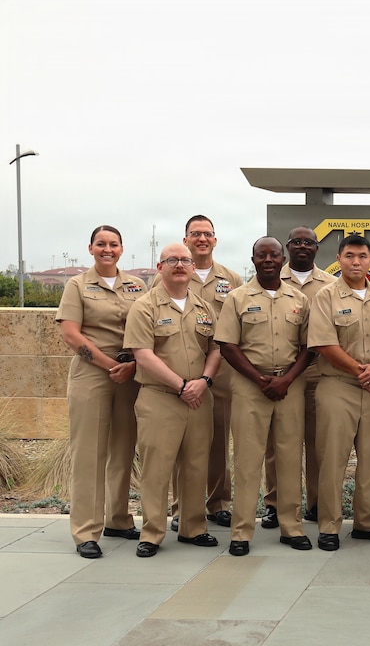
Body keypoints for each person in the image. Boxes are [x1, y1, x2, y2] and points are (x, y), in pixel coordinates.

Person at [215, 237, 313, 556]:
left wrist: (286, 380)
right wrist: (259, 379)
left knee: (288, 457)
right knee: (247, 459)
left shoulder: (299, 299)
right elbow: (228, 345)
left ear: (283, 258)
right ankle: (242, 532)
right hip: (249, 384)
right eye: (262, 255)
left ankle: (292, 527)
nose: (268, 259)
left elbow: (308, 347)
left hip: (289, 384)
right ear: (253, 259)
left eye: (274, 254)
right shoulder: (237, 298)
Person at [124, 243, 222, 557]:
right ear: (160, 266)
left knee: (196, 465)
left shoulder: (204, 307)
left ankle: (194, 527)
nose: (179, 265)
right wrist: (182, 385)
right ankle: (152, 533)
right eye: (172, 260)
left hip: (198, 398)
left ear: (193, 268)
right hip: (161, 398)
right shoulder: (145, 306)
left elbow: (216, 349)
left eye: (184, 260)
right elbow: (142, 354)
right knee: (157, 468)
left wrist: (204, 381)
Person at [57, 225, 148, 558]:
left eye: (113, 244)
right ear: (91, 248)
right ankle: (86, 531)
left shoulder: (136, 285)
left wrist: (133, 366)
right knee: (90, 454)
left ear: (122, 249)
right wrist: (110, 364)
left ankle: (119, 519)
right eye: (101, 244)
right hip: (93, 374)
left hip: (130, 374)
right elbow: (71, 335)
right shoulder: (77, 286)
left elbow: (147, 327)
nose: (107, 249)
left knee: (124, 450)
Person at [307, 234, 370, 552]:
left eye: (362, 256)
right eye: (349, 256)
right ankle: (329, 525)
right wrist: (361, 370)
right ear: (339, 258)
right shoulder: (325, 296)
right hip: (338, 386)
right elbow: (323, 343)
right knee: (333, 458)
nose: (356, 262)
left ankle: (368, 522)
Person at [154, 215, 243, 532]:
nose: (202, 238)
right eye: (196, 234)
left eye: (208, 234)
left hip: (220, 372)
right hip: (179, 374)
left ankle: (219, 503)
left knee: (218, 439)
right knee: (182, 444)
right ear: (186, 239)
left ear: (215, 240)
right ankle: (181, 507)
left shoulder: (231, 279)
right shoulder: (169, 272)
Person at [267, 226, 335, 527]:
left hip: (319, 374)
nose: (303, 246)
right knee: (278, 442)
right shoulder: (271, 278)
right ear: (288, 247)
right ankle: (274, 502)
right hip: (282, 376)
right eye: (297, 242)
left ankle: (317, 503)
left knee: (318, 441)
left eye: (309, 242)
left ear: (317, 248)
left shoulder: (331, 284)